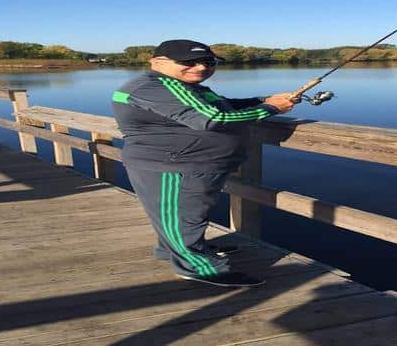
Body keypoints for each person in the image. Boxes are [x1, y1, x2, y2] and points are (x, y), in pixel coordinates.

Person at [112, 39, 296, 287]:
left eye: (208, 62)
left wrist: (263, 99)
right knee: (183, 217)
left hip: (192, 164)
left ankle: (175, 249)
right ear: (157, 62)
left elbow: (222, 105)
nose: (200, 67)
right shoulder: (152, 87)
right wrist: (270, 109)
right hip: (172, 166)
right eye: (188, 62)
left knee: (184, 215)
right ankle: (199, 268)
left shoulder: (184, 85)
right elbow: (213, 119)